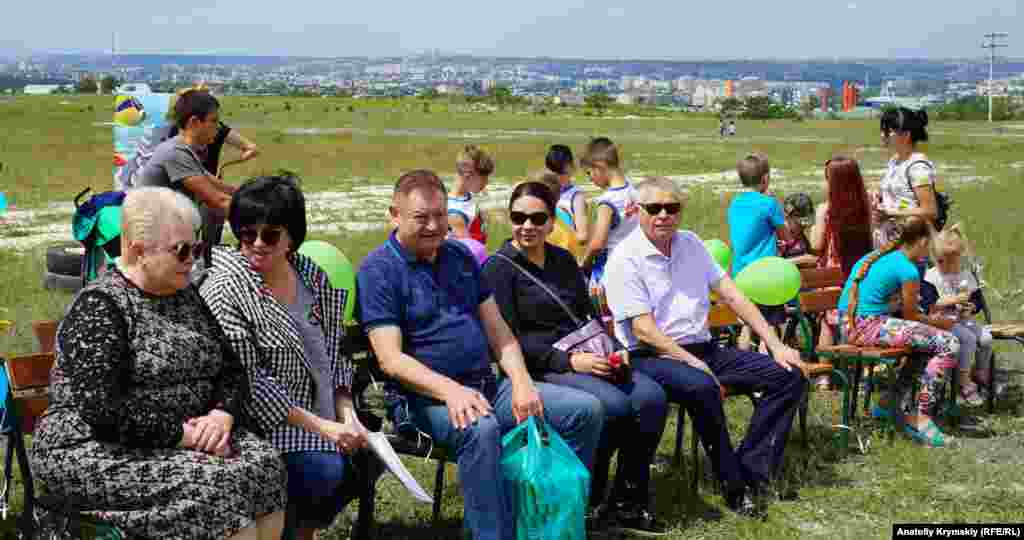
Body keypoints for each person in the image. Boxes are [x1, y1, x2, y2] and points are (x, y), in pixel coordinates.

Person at [357, 170, 604, 540]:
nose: (433, 226)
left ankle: (548, 524)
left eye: (440, 215)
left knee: (583, 411)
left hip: (487, 386)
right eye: (421, 217)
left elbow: (500, 332)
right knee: (481, 430)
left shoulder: (459, 255)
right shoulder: (378, 270)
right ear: (394, 214)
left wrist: (521, 382)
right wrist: (450, 391)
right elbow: (391, 360)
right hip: (421, 400)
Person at [29, 187, 286, 540]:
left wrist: (222, 415)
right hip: (91, 446)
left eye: (197, 249)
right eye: (182, 251)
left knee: (265, 466)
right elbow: (103, 408)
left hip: (185, 436)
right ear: (138, 251)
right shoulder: (101, 307)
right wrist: (187, 436)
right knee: (217, 488)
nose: (193, 261)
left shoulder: (185, 294)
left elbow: (231, 371)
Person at [604, 177, 807, 516]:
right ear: (638, 211)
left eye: (672, 208)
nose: (664, 215)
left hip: (703, 348)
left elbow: (732, 293)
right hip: (650, 356)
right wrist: (691, 363)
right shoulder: (625, 258)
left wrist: (775, 345)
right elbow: (644, 330)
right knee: (701, 385)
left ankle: (752, 469)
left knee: (788, 376)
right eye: (654, 208)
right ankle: (733, 487)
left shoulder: (691, 243)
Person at [481, 181, 669, 535]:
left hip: (588, 355)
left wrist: (614, 349)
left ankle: (627, 500)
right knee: (613, 406)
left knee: (651, 398)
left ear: (553, 222)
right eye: (519, 217)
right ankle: (587, 500)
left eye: (538, 218)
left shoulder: (564, 260)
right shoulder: (499, 268)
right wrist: (569, 363)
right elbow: (507, 340)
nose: (528, 226)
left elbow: (587, 317)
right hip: (541, 366)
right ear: (510, 219)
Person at [199, 176, 373, 540]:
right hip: (261, 428)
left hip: (324, 417)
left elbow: (334, 352)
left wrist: (347, 414)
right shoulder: (225, 287)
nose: (258, 244)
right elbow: (249, 383)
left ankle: (299, 531)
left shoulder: (312, 276)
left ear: (292, 236)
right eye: (247, 234)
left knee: (365, 458)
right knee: (324, 469)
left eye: (271, 234)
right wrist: (325, 429)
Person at [838, 216, 959, 448]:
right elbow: (911, 317)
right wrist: (940, 323)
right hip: (867, 327)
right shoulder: (907, 269)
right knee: (949, 343)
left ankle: (888, 403)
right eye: (930, 244)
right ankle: (921, 417)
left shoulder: (877, 257)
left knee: (924, 348)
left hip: (849, 324)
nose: (931, 251)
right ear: (922, 241)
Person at [135, 89, 238, 269]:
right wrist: (262, 217)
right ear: (194, 122)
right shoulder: (176, 153)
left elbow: (217, 185)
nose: (218, 127)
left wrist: (253, 194)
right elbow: (217, 200)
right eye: (214, 121)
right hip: (154, 246)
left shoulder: (184, 150)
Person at [809, 156, 875, 352]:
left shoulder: (825, 210)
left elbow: (817, 245)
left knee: (827, 324)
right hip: (861, 270)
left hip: (832, 273)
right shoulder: (866, 206)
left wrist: (813, 228)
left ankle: (824, 377)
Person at [723, 153, 787, 349]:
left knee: (747, 325)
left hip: (741, 273)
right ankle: (768, 364)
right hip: (765, 274)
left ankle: (745, 363)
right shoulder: (769, 204)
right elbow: (785, 235)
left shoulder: (735, 203)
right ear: (765, 179)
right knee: (769, 326)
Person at [925, 225, 992, 406]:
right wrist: (953, 300)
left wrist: (972, 307)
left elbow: (977, 300)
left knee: (986, 338)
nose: (950, 267)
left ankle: (980, 373)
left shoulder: (965, 275)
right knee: (968, 339)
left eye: (954, 261)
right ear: (937, 260)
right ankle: (963, 381)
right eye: (943, 262)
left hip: (964, 319)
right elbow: (931, 303)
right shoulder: (931, 277)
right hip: (942, 323)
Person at [578, 137, 639, 334]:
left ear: (600, 166)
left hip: (609, 270)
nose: (591, 180)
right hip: (635, 265)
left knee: (610, 323)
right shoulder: (634, 192)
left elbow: (597, 243)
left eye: (589, 174)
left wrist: (584, 263)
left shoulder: (607, 201)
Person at [872, 107, 940, 248]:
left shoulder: (918, 167)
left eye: (888, 131)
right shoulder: (895, 161)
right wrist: (877, 194)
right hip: (890, 239)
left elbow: (930, 211)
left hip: (911, 245)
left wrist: (890, 213)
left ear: (906, 135)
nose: (882, 135)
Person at [546, 144, 590, 250]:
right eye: (554, 173)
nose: (558, 178)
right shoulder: (542, 190)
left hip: (564, 254)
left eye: (562, 173)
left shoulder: (576, 197)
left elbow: (583, 236)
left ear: (572, 168)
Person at [448, 144, 494, 244]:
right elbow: (470, 252)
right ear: (467, 174)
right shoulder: (455, 214)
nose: (486, 182)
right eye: (484, 178)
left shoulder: (467, 196)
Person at [777, 192, 817, 267]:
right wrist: (802, 260)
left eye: (805, 224)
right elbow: (772, 265)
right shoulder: (779, 236)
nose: (803, 227)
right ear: (787, 216)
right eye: (799, 224)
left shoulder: (801, 235)